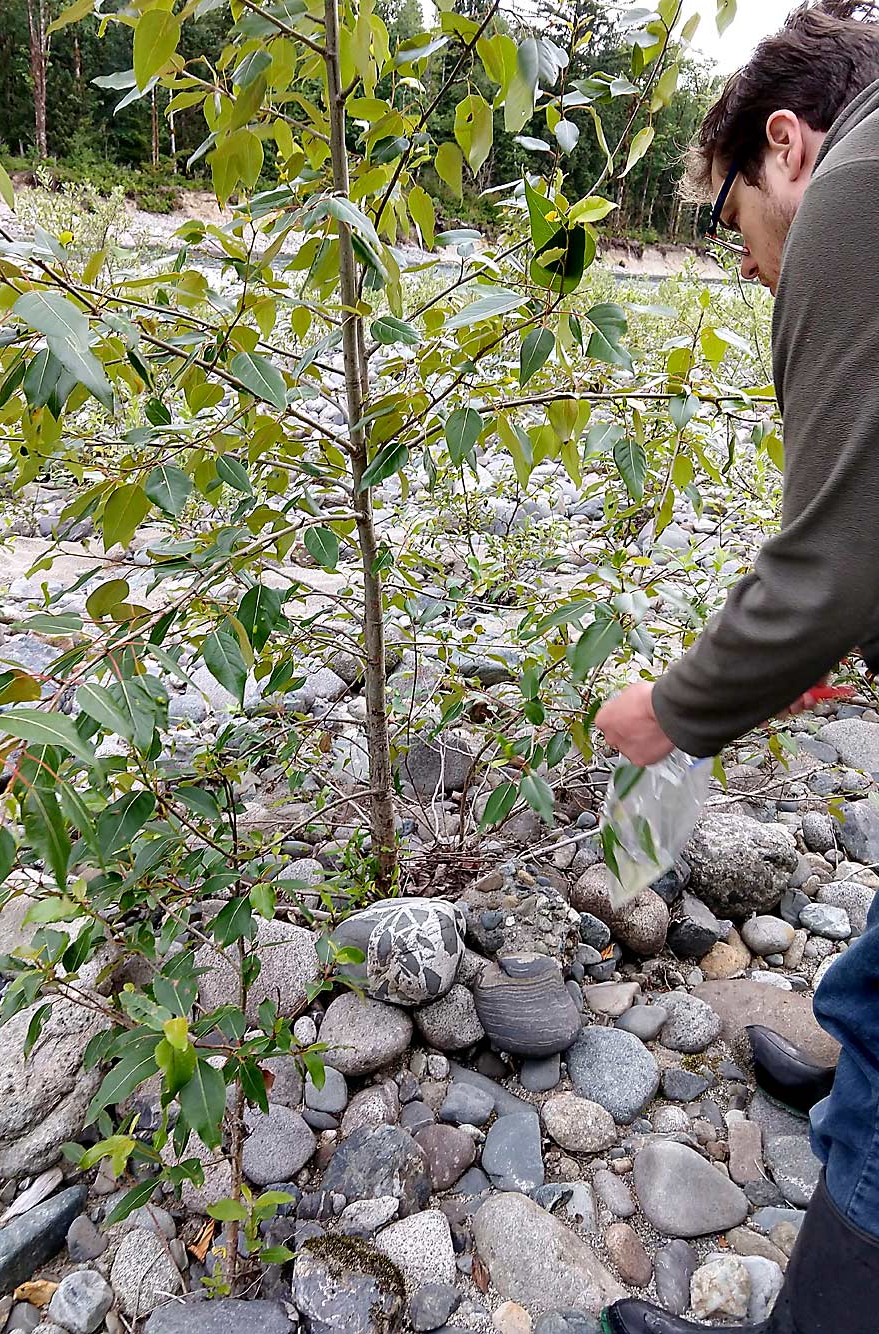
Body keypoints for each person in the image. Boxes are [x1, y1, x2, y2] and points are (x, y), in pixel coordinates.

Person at [596, 4, 879, 1331]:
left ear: (785, 145)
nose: (755, 270)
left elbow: (832, 558)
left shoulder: (857, 179)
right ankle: (849, 1035)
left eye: (734, 231)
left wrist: (674, 706)